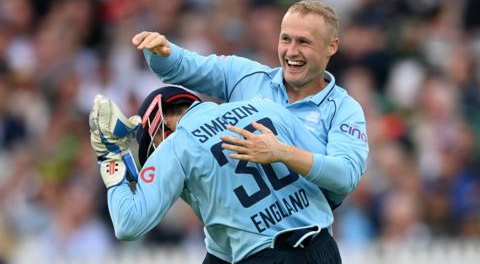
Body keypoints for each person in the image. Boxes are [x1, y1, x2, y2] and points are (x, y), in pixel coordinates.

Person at [89, 85, 368, 263]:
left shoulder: (175, 145)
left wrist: (110, 157)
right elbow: (330, 179)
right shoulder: (265, 107)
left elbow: (128, 224)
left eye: (153, 149)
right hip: (323, 249)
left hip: (265, 256)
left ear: (160, 125)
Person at [131, 0, 368, 209]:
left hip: (299, 243)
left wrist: (282, 153)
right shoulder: (247, 75)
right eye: (285, 39)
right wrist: (162, 52)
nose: (291, 51)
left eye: (304, 42)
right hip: (232, 242)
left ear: (332, 46)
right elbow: (183, 67)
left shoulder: (344, 109)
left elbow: (345, 176)